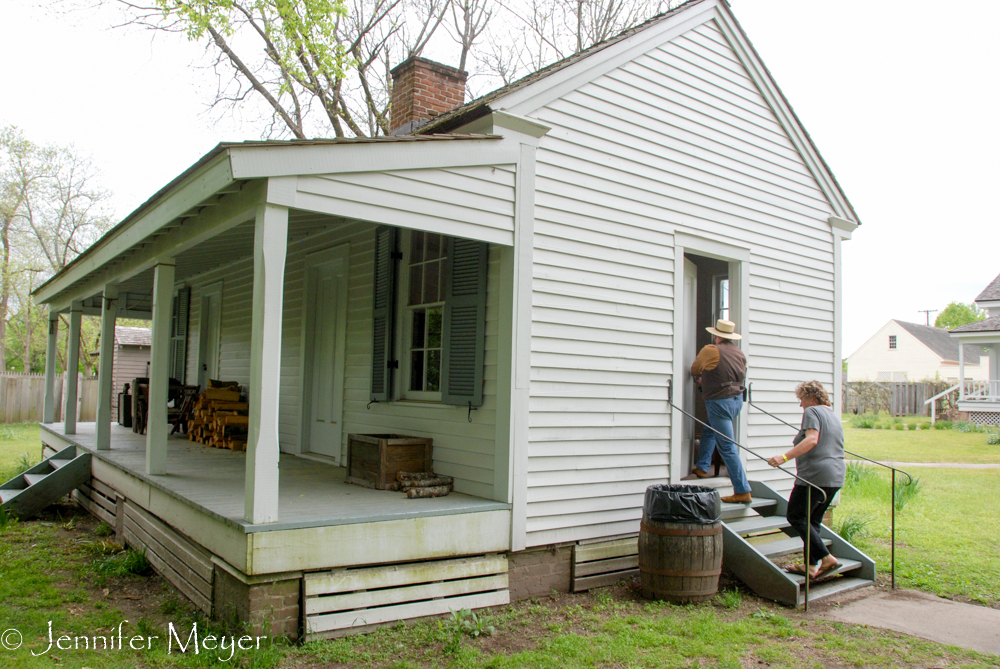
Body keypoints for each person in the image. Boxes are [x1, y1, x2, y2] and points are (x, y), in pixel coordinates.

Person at [767, 380, 845, 580]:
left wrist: (783, 458)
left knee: (796, 516)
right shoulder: (832, 415)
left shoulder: (812, 412)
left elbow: (812, 440)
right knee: (813, 521)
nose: (800, 405)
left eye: (801, 399)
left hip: (815, 476)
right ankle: (811, 566)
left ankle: (827, 558)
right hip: (835, 476)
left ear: (811, 397)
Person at [690, 318, 752, 504]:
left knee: (727, 446)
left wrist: (701, 378)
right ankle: (702, 466)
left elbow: (695, 368)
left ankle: (742, 490)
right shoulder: (738, 352)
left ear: (716, 335)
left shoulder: (711, 350)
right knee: (710, 428)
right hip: (736, 401)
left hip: (719, 401)